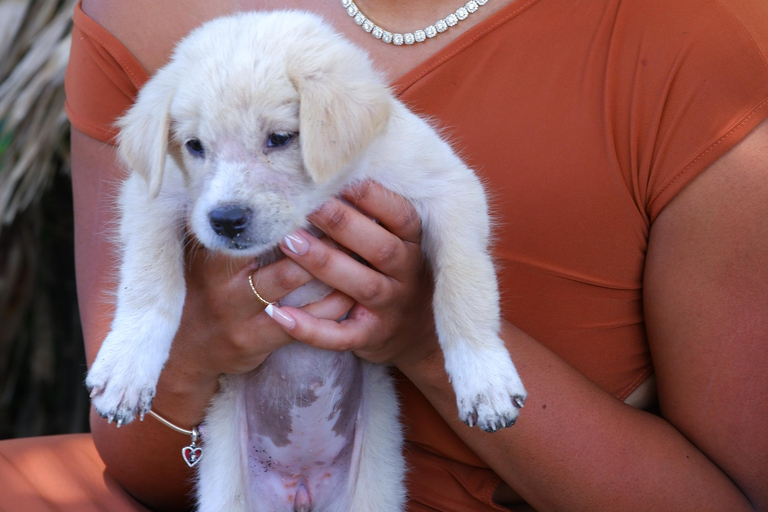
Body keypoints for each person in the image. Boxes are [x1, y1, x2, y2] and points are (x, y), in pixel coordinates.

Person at [2, 0, 766, 510]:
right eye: (199, 151)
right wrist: (196, 347)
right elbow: (136, 453)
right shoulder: (145, 21)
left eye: (279, 138)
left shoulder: (687, 36)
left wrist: (428, 336)